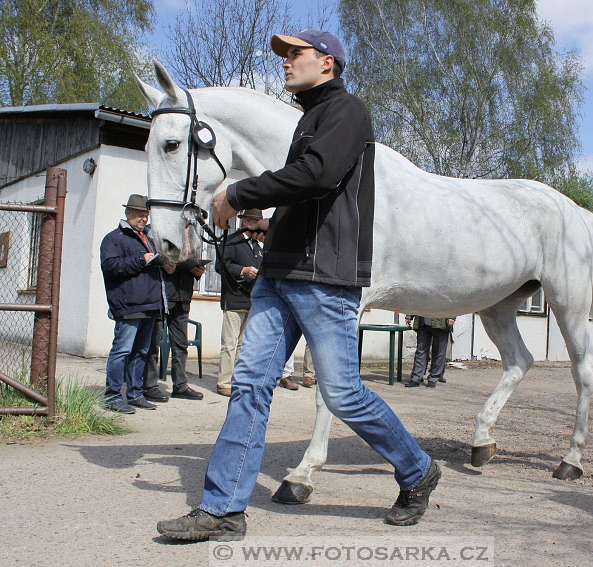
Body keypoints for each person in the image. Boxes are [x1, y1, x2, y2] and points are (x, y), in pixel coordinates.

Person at [157, 29, 439, 542]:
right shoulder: (307, 119)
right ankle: (223, 509)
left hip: (324, 278)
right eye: (283, 55)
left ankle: (417, 470)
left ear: (327, 63)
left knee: (344, 394)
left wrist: (239, 193)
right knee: (249, 386)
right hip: (279, 275)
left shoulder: (347, 112)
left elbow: (317, 175)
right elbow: (296, 187)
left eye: (296, 54)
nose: (286, 62)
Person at [100, 194, 172, 414]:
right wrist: (142, 259)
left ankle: (135, 394)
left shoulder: (150, 237)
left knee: (141, 351)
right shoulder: (114, 239)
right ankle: (112, 395)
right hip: (128, 304)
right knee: (122, 350)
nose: (143, 218)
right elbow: (111, 267)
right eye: (139, 214)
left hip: (150, 304)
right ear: (127, 213)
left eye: (145, 214)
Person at [143, 260, 207, 403]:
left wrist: (198, 271)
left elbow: (192, 260)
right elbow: (152, 257)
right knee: (153, 344)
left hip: (183, 295)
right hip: (162, 294)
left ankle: (180, 386)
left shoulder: (191, 238)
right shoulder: (161, 237)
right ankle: (149, 386)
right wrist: (164, 264)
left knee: (181, 345)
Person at [215, 209, 264, 397]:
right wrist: (242, 270)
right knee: (229, 344)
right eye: (253, 221)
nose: (256, 225)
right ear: (245, 221)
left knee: (244, 345)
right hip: (234, 298)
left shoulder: (257, 245)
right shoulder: (232, 240)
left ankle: (238, 380)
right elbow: (221, 265)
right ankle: (224, 382)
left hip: (252, 300)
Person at [404, 315, 455, 388]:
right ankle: (416, 378)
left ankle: (433, 378)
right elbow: (415, 303)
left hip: (441, 322)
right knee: (420, 351)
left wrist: (452, 317)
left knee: (439, 352)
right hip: (423, 321)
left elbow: (454, 303)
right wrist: (409, 316)